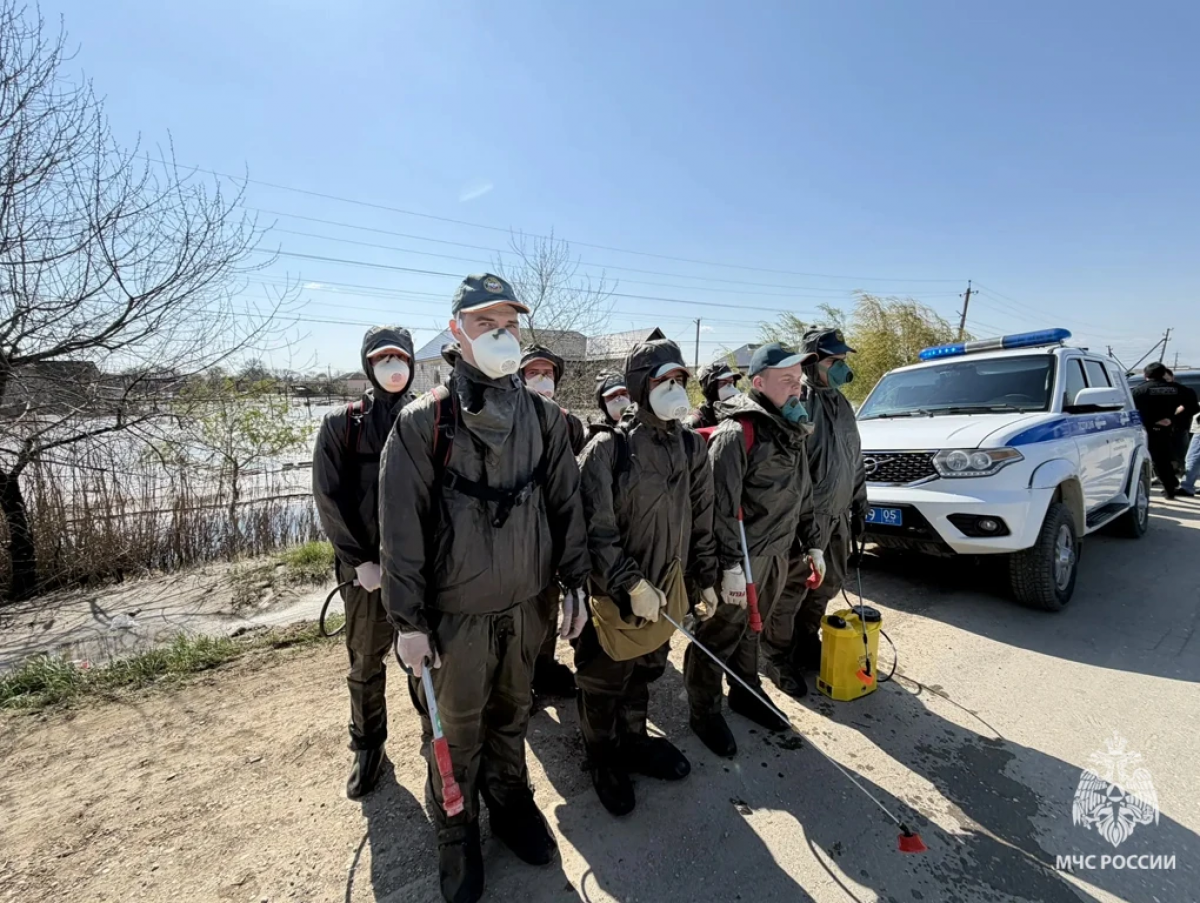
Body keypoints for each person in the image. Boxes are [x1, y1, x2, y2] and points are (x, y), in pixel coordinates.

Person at [379, 274, 591, 903]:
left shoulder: (545, 419)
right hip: (454, 617)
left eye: (510, 324)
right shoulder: (423, 424)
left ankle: (510, 800)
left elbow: (565, 506)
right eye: (485, 324)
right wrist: (407, 622)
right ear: (456, 332)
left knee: (512, 713)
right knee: (454, 728)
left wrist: (575, 580)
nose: (502, 336)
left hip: (526, 603)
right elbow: (400, 531)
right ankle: (456, 826)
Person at [574, 337, 719, 815]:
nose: (676, 389)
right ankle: (602, 757)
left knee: (648, 669)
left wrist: (706, 578)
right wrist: (629, 583)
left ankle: (634, 740)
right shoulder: (607, 450)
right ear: (640, 387)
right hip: (618, 595)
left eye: (680, 380)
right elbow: (596, 531)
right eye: (664, 381)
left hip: (668, 589)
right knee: (604, 677)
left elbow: (702, 518)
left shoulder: (690, 447)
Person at [684, 342, 822, 759]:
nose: (796, 389)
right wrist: (724, 568)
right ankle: (703, 709)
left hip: (779, 552)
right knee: (721, 633)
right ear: (759, 383)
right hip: (742, 557)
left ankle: (746, 690)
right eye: (786, 381)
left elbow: (804, 493)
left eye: (798, 381)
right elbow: (718, 509)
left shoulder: (791, 429)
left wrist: (813, 541)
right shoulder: (736, 432)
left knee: (753, 631)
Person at [312, 325, 415, 799]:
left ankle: (437, 730)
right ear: (367, 365)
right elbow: (328, 499)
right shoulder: (342, 425)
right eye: (382, 358)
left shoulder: (428, 418)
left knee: (426, 656)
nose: (392, 366)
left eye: (400, 357)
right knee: (365, 661)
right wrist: (357, 562)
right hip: (367, 573)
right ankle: (369, 744)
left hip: (420, 570)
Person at [785, 328, 869, 681]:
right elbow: (789, 467)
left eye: (843, 361)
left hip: (838, 513)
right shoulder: (797, 402)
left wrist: (860, 501)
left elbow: (855, 455)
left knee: (829, 584)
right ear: (813, 362)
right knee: (794, 592)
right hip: (808, 518)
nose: (840, 369)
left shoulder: (841, 403)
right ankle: (780, 655)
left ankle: (806, 640)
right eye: (834, 361)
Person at [519, 344, 587, 698]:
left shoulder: (570, 423)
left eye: (547, 373)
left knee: (547, 609)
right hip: (517, 536)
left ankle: (543, 670)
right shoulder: (510, 420)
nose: (542, 379)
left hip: (553, 533)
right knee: (520, 619)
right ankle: (520, 681)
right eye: (533, 372)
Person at [1132, 362, 1193, 500]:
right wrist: (1172, 419)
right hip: (1172, 429)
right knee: (1166, 459)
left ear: (1146, 375)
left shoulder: (1139, 390)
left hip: (1150, 430)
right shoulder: (1179, 389)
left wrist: (1153, 420)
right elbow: (1192, 406)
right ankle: (1170, 486)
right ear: (1163, 373)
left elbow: (1134, 412)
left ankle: (1169, 486)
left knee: (1157, 460)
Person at [1165, 369, 1199, 486]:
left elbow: (1193, 407)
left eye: (1166, 379)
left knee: (1185, 455)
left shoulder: (1184, 391)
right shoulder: (1152, 391)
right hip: (1158, 430)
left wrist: (1178, 410)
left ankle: (1186, 481)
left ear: (1172, 378)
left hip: (1181, 427)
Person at [685, 360, 742, 429]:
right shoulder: (695, 422)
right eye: (724, 383)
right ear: (710, 388)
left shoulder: (736, 416)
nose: (730, 388)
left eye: (731, 382)